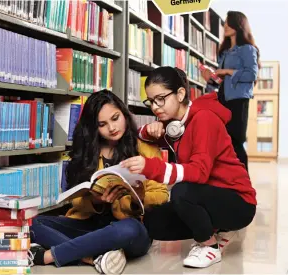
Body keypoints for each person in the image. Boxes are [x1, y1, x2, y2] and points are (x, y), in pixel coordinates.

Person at [120, 67, 257, 269]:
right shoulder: (174, 124)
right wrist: (148, 131)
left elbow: (199, 173)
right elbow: (139, 135)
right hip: (208, 198)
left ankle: (209, 245)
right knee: (154, 222)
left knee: (181, 191)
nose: (156, 107)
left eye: (161, 99)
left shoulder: (204, 119)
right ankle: (219, 228)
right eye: (150, 101)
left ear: (181, 94)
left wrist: (151, 167)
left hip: (238, 201)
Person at [29, 90, 169, 274]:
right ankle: (94, 256)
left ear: (124, 114)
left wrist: (139, 198)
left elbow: (162, 195)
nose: (112, 127)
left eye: (115, 118)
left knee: (129, 229)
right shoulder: (87, 153)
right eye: (102, 124)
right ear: (93, 127)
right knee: (32, 222)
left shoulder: (144, 148)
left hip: (129, 228)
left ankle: (48, 256)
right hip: (90, 226)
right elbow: (75, 199)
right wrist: (96, 201)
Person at [201, 11, 260, 172]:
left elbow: (251, 74)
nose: (225, 26)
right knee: (222, 142)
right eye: (225, 23)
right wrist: (210, 77)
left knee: (236, 141)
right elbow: (220, 81)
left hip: (238, 100)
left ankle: (244, 185)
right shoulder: (225, 51)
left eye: (229, 22)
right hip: (223, 99)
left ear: (239, 25)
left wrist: (227, 71)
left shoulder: (248, 49)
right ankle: (228, 182)